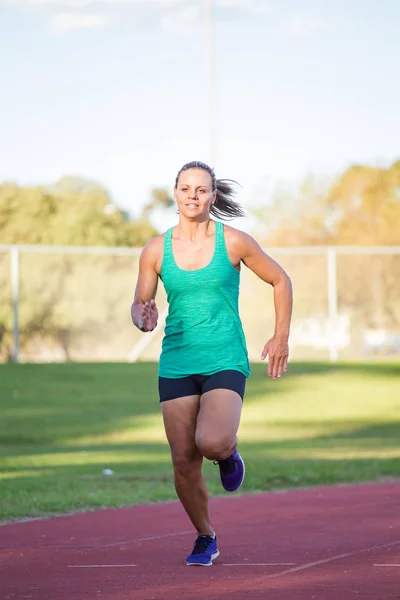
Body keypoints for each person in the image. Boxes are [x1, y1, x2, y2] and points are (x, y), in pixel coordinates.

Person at [131, 160, 292, 567]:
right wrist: (142, 317)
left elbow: (280, 280)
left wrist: (280, 336)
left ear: (212, 195)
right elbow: (141, 303)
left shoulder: (234, 242)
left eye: (201, 189)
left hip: (224, 357)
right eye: (186, 188)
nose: (192, 195)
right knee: (184, 461)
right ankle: (206, 536)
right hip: (177, 361)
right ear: (175, 193)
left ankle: (229, 454)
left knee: (212, 443)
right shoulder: (155, 249)